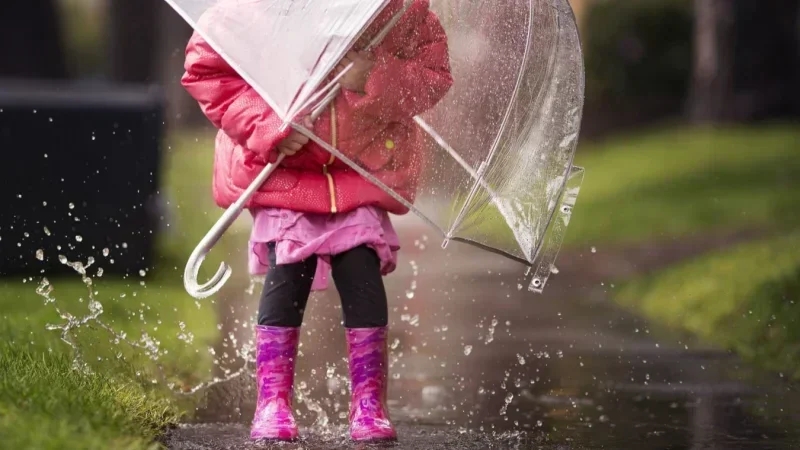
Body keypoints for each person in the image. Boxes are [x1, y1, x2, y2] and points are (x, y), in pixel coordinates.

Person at [181, 0, 452, 442]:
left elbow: (432, 77)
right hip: (286, 172)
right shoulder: (256, 11)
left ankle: (368, 403)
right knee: (288, 273)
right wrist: (268, 126)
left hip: (356, 170)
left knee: (361, 271)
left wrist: (374, 75)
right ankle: (273, 402)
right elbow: (208, 72)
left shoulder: (399, 13)